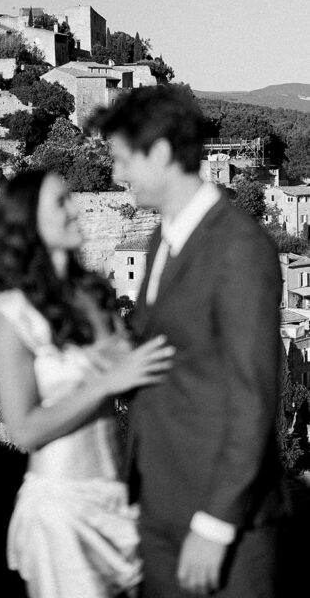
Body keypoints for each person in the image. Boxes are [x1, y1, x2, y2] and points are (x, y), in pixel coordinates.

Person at [88, 86, 282, 598]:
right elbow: (168, 360)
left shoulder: (240, 247)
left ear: (161, 153)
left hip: (221, 524)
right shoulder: (161, 239)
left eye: (123, 159)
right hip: (159, 510)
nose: (116, 175)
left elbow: (254, 399)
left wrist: (215, 524)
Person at [0, 168, 175, 598]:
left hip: (120, 498)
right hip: (64, 509)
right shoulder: (10, 315)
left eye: (71, 198)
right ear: (28, 223)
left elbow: (137, 375)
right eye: (60, 202)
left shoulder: (97, 295)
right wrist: (106, 384)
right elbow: (24, 429)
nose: (75, 209)